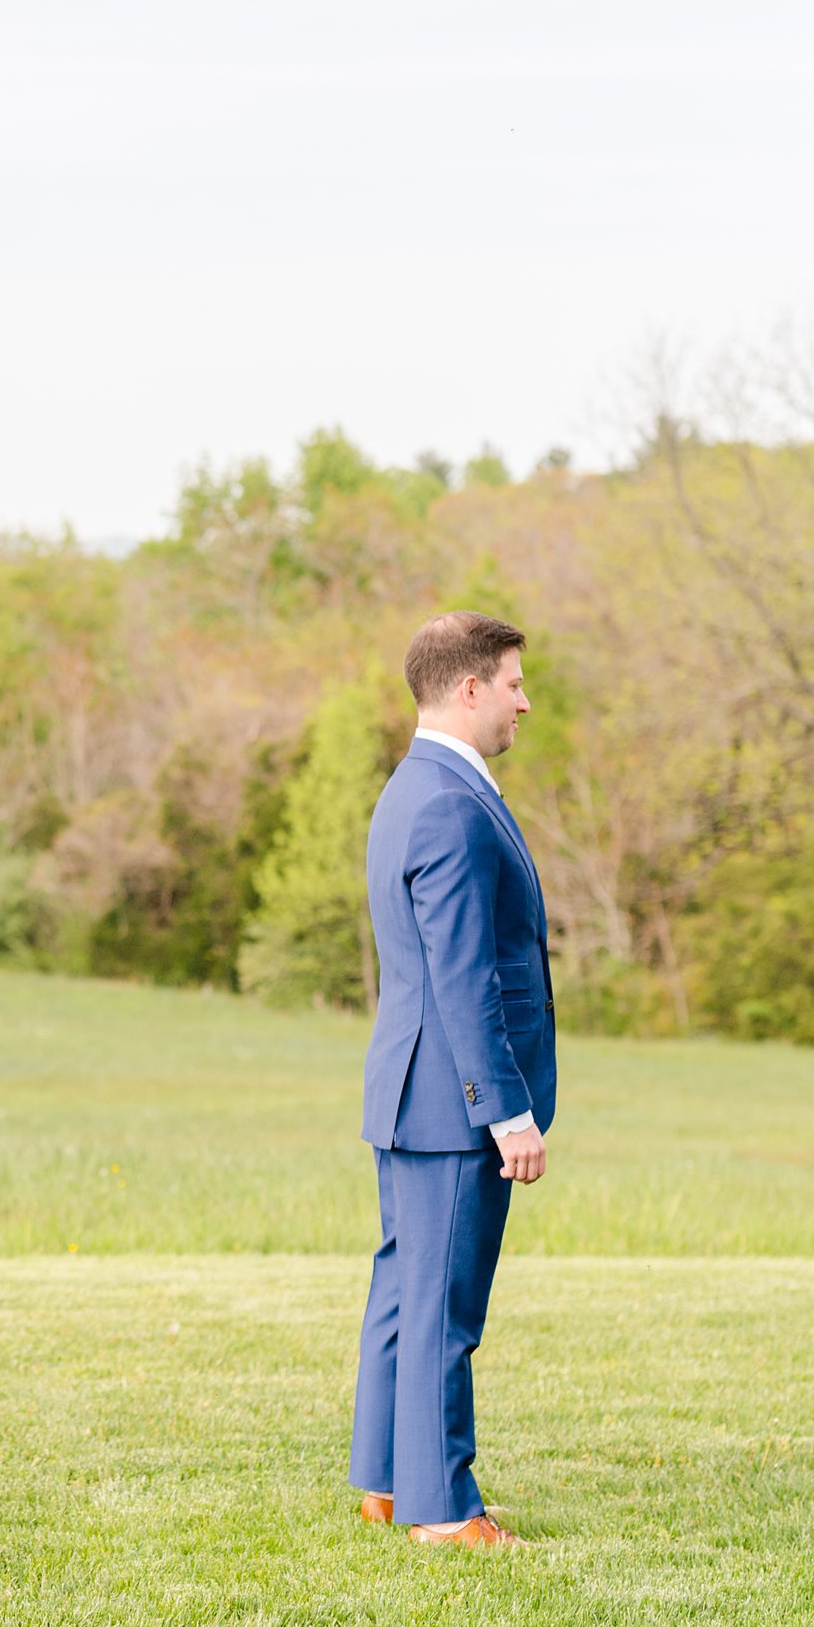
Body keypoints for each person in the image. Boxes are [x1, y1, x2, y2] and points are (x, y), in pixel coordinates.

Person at [347, 612, 554, 1550]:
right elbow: (466, 975)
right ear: (467, 688)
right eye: (512, 681)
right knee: (442, 1307)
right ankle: (442, 1510)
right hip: (451, 1102)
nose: (523, 699)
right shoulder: (445, 800)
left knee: (405, 1292)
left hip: (413, 1092)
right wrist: (506, 1111)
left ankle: (388, 1485)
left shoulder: (414, 788)